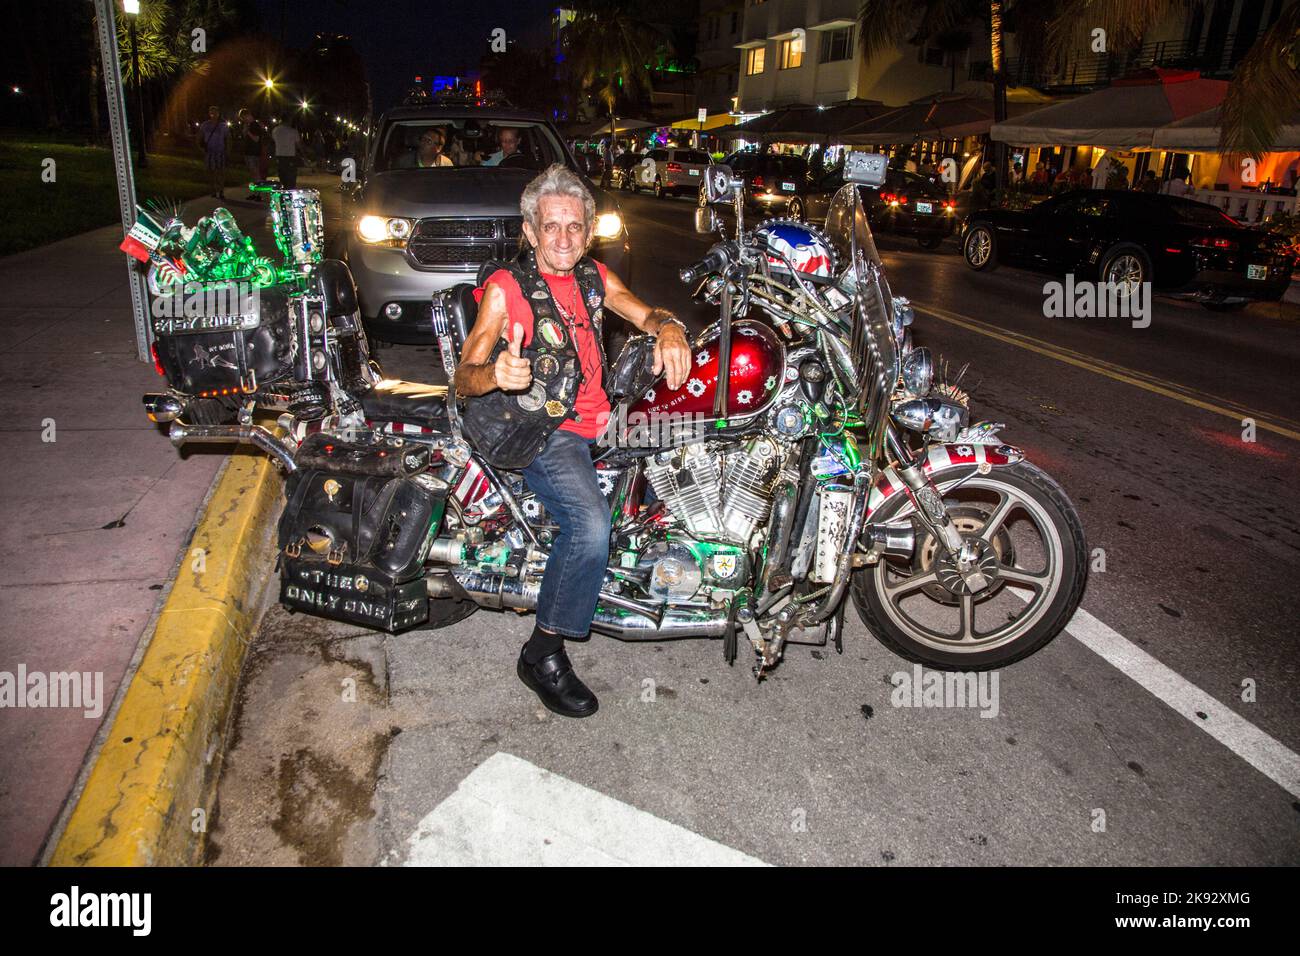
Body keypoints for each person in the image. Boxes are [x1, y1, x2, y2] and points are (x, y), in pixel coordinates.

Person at [454, 164, 691, 718]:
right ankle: (543, 653)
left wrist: (670, 326)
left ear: (588, 233)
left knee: (690, 438)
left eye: (575, 227)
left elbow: (644, 311)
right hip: (543, 429)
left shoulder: (593, 278)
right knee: (588, 526)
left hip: (602, 417)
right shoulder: (506, 289)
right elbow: (464, 375)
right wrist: (497, 375)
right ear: (531, 232)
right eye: (551, 227)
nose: (563, 238)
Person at [198, 106, 228, 199]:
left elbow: (228, 138)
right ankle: (214, 191)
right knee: (211, 172)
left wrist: (227, 150)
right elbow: (199, 137)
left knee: (220, 172)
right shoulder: (205, 125)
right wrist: (201, 148)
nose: (213, 115)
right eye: (211, 113)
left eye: (215, 113)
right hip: (209, 152)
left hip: (220, 152)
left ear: (218, 114)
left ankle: (221, 190)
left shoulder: (223, 125)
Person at [271, 118, 301, 189]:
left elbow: (274, 140)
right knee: (291, 176)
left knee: (282, 175)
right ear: (288, 121)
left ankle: (283, 190)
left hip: (279, 155)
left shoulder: (275, 130)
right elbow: (298, 144)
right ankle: (290, 191)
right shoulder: (293, 131)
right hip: (290, 155)